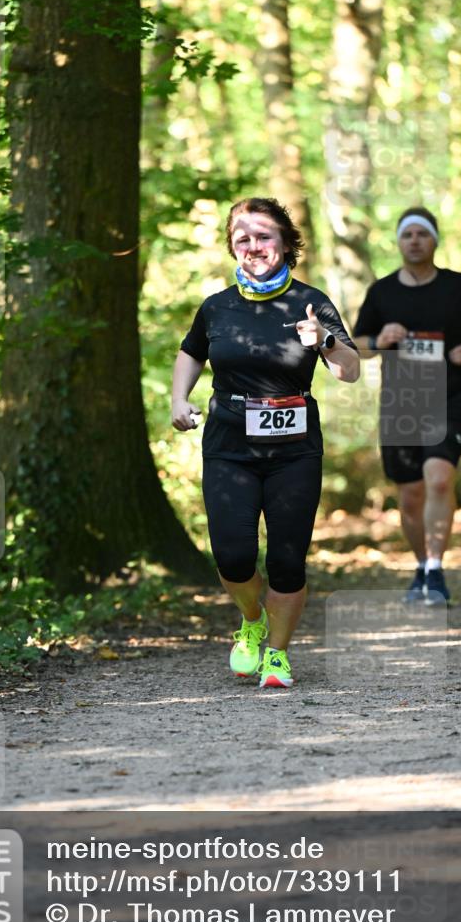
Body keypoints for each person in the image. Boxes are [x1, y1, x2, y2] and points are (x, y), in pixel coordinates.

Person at [172, 197, 359, 688]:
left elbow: (349, 371)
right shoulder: (217, 306)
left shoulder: (311, 302)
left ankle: (277, 654)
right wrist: (177, 400)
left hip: (294, 451)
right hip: (229, 443)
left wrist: (325, 340)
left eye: (264, 236)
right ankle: (253, 619)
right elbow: (191, 353)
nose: (254, 246)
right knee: (232, 556)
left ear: (285, 242)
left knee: (286, 560)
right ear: (233, 247)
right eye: (243, 238)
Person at [353, 206, 461, 605]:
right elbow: (358, 347)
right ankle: (420, 568)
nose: (414, 240)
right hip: (402, 401)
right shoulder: (381, 292)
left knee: (439, 479)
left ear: (435, 240)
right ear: (398, 242)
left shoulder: (458, 286)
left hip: (449, 396)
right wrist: (382, 340)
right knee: (410, 494)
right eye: (407, 234)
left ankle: (435, 570)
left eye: (422, 234)